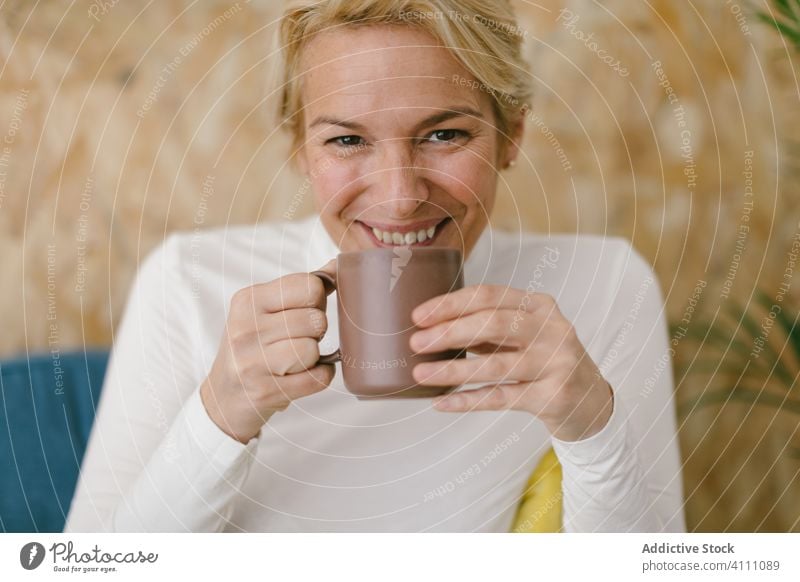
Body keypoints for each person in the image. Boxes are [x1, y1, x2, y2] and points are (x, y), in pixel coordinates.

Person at [65, 0, 685, 532]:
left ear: (512, 135)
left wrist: (593, 431)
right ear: (299, 149)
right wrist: (220, 416)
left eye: (443, 135)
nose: (398, 194)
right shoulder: (189, 283)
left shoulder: (603, 286)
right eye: (347, 140)